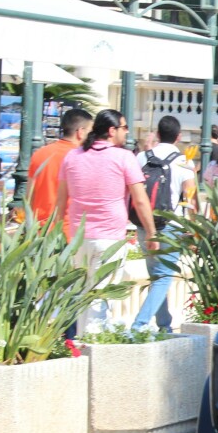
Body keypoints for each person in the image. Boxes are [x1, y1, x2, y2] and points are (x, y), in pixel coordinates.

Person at [54, 110, 158, 330]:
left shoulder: (72, 156)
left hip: (78, 238)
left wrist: (56, 234)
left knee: (80, 296)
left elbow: (61, 202)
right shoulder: (123, 157)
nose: (127, 132)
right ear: (112, 131)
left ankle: (81, 346)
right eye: (124, 127)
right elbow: (140, 201)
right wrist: (151, 232)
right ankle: (93, 348)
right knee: (101, 297)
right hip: (108, 238)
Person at [132, 115, 197, 331]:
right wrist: (194, 227)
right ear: (178, 137)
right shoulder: (184, 162)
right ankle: (139, 326)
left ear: (158, 134)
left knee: (156, 276)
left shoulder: (141, 157)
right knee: (163, 278)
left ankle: (164, 324)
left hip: (144, 223)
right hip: (171, 225)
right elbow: (190, 198)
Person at [29, 108, 92, 223]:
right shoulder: (82, 157)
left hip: (39, 228)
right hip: (69, 228)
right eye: (90, 132)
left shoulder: (39, 154)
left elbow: (29, 195)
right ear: (81, 132)